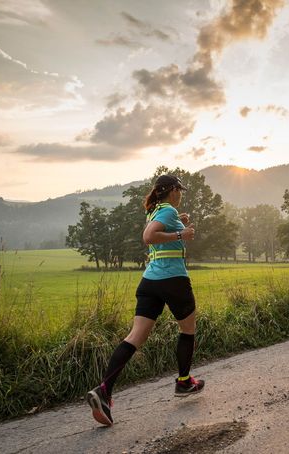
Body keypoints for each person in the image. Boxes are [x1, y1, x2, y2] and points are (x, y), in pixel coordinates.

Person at [86, 174, 205, 427]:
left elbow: (158, 229)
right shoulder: (167, 210)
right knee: (188, 330)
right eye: (179, 190)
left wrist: (177, 225)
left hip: (149, 281)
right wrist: (182, 235)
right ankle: (184, 382)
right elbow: (150, 237)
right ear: (172, 190)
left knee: (135, 337)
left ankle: (104, 390)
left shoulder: (156, 210)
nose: (181, 194)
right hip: (173, 280)